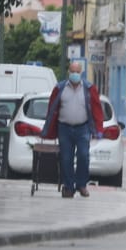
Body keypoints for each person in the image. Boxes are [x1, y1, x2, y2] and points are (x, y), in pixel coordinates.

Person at [42, 61, 105, 199]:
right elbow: (52, 108)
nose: (75, 74)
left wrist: (98, 129)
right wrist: (48, 128)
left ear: (81, 73)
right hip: (64, 128)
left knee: (83, 156)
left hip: (83, 128)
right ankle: (68, 187)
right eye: (72, 71)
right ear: (68, 72)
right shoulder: (60, 88)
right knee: (66, 159)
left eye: (77, 71)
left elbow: (97, 109)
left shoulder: (89, 89)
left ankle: (81, 185)